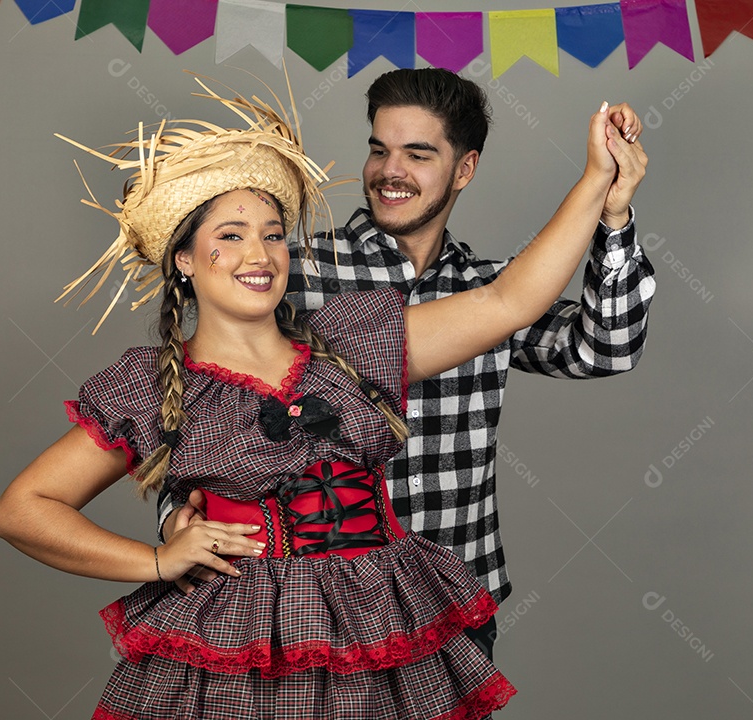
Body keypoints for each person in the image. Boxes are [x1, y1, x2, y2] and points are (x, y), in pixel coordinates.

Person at [0, 75, 647, 719]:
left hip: (406, 617)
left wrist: (597, 182)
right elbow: (30, 508)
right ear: (183, 258)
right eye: (230, 235)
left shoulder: (353, 342)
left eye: (273, 233)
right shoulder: (161, 379)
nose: (260, 252)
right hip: (245, 640)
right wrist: (162, 555)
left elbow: (514, 302)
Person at [160, 69, 655, 659]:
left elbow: (607, 347)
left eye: (417, 154)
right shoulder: (289, 271)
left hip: (455, 603)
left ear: (464, 169)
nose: (389, 171)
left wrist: (614, 214)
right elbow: (199, 418)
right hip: (314, 610)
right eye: (379, 150)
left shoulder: (491, 288)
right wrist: (176, 523)